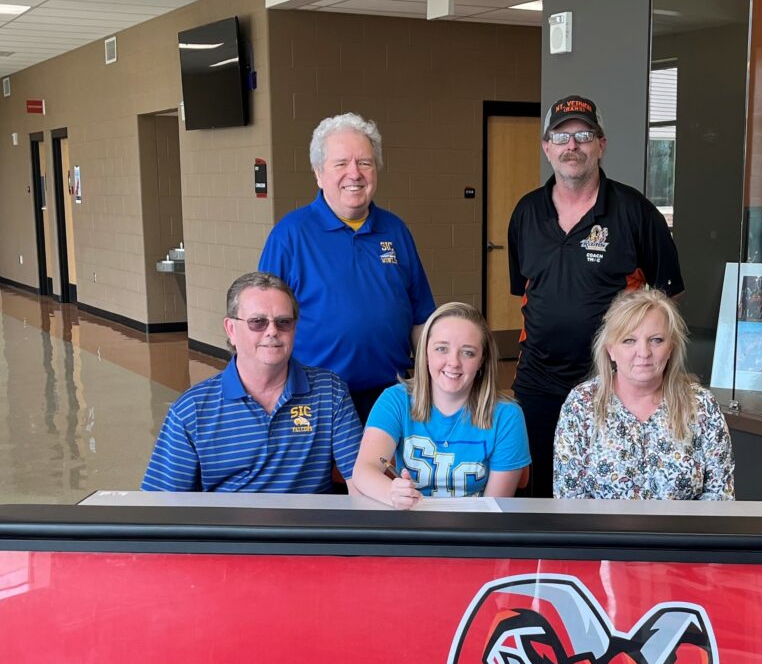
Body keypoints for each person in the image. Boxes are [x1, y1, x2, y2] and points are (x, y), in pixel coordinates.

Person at [508, 94, 684, 497]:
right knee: (536, 492)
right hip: (538, 383)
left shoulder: (636, 213)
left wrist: (638, 359)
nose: (572, 145)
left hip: (611, 383)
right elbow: (526, 293)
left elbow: (666, 302)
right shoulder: (526, 213)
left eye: (584, 135)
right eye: (561, 136)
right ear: (547, 147)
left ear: (601, 144)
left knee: (606, 492)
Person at [258, 112, 435, 422]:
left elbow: (421, 319)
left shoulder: (395, 231)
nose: (354, 173)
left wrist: (432, 384)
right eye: (341, 164)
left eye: (364, 162)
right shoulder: (289, 235)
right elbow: (262, 326)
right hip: (314, 399)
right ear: (318, 173)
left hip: (391, 396)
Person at [141, 271, 362, 493]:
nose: (272, 331)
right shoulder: (192, 411)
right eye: (258, 322)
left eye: (283, 322)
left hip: (308, 517)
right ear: (231, 330)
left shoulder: (329, 391)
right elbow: (162, 502)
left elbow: (360, 480)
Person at [553, 288, 733, 501]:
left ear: (671, 347)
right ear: (610, 349)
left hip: (685, 525)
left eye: (656, 340)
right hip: (601, 525)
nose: (644, 352)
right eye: (629, 340)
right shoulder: (581, 405)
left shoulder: (702, 405)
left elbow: (719, 497)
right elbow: (570, 499)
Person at [351, 302, 530, 509]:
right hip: (408, 522)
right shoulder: (395, 400)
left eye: (468, 352)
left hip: (476, 526)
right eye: (441, 349)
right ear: (425, 352)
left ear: (482, 360)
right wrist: (392, 493)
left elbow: (493, 509)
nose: (453, 362)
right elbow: (364, 470)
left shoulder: (508, 416)